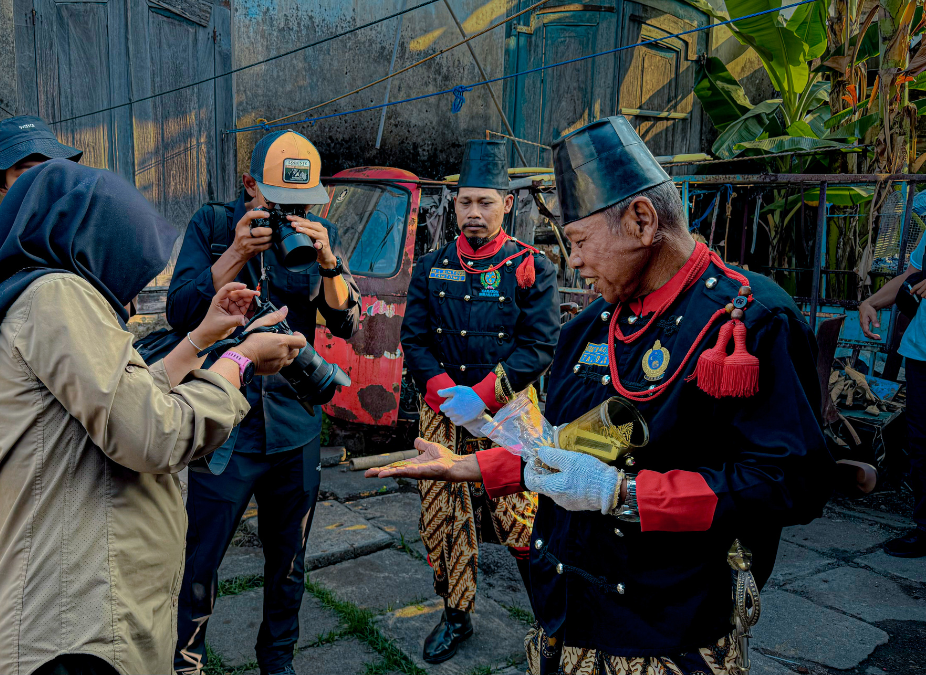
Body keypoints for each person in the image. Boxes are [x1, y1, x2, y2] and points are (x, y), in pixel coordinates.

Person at [369, 117, 835, 673]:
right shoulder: (590, 326)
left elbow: (790, 484)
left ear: (641, 221)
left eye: (581, 241)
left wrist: (625, 493)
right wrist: (472, 467)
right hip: (568, 615)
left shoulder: (750, 320)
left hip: (666, 629)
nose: (575, 261)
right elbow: (567, 450)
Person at [0, 159, 307, 675]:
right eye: (127, 271)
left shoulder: (36, 296)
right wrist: (241, 362)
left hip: (76, 621)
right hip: (71, 638)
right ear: (88, 246)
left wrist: (203, 336)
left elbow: (119, 400)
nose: (135, 301)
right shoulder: (57, 296)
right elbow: (150, 430)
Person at [167, 130, 361, 675]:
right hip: (224, 425)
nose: (290, 213)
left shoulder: (318, 231)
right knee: (199, 559)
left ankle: (278, 663)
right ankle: (185, 663)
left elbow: (345, 322)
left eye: (300, 203)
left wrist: (327, 260)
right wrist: (234, 254)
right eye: (278, 202)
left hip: (295, 421)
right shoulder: (211, 225)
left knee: (290, 562)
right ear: (250, 184)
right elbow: (181, 313)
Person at [399, 138, 560, 663]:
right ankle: (456, 617)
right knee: (445, 518)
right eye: (465, 202)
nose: (474, 212)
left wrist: (484, 396)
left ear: (506, 204)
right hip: (442, 413)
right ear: (455, 203)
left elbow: (539, 345)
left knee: (526, 515)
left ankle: (553, 621)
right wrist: (448, 396)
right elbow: (415, 341)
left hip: (509, 415)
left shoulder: (532, 266)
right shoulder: (430, 267)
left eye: (485, 202)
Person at [858, 244, 926, 557]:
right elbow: (912, 276)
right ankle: (925, 528)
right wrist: (870, 302)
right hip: (920, 353)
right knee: (921, 443)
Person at [0, 114, 83, 236]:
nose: (45, 182)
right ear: (2, 185)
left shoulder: (80, 222)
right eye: (29, 176)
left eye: (53, 171)